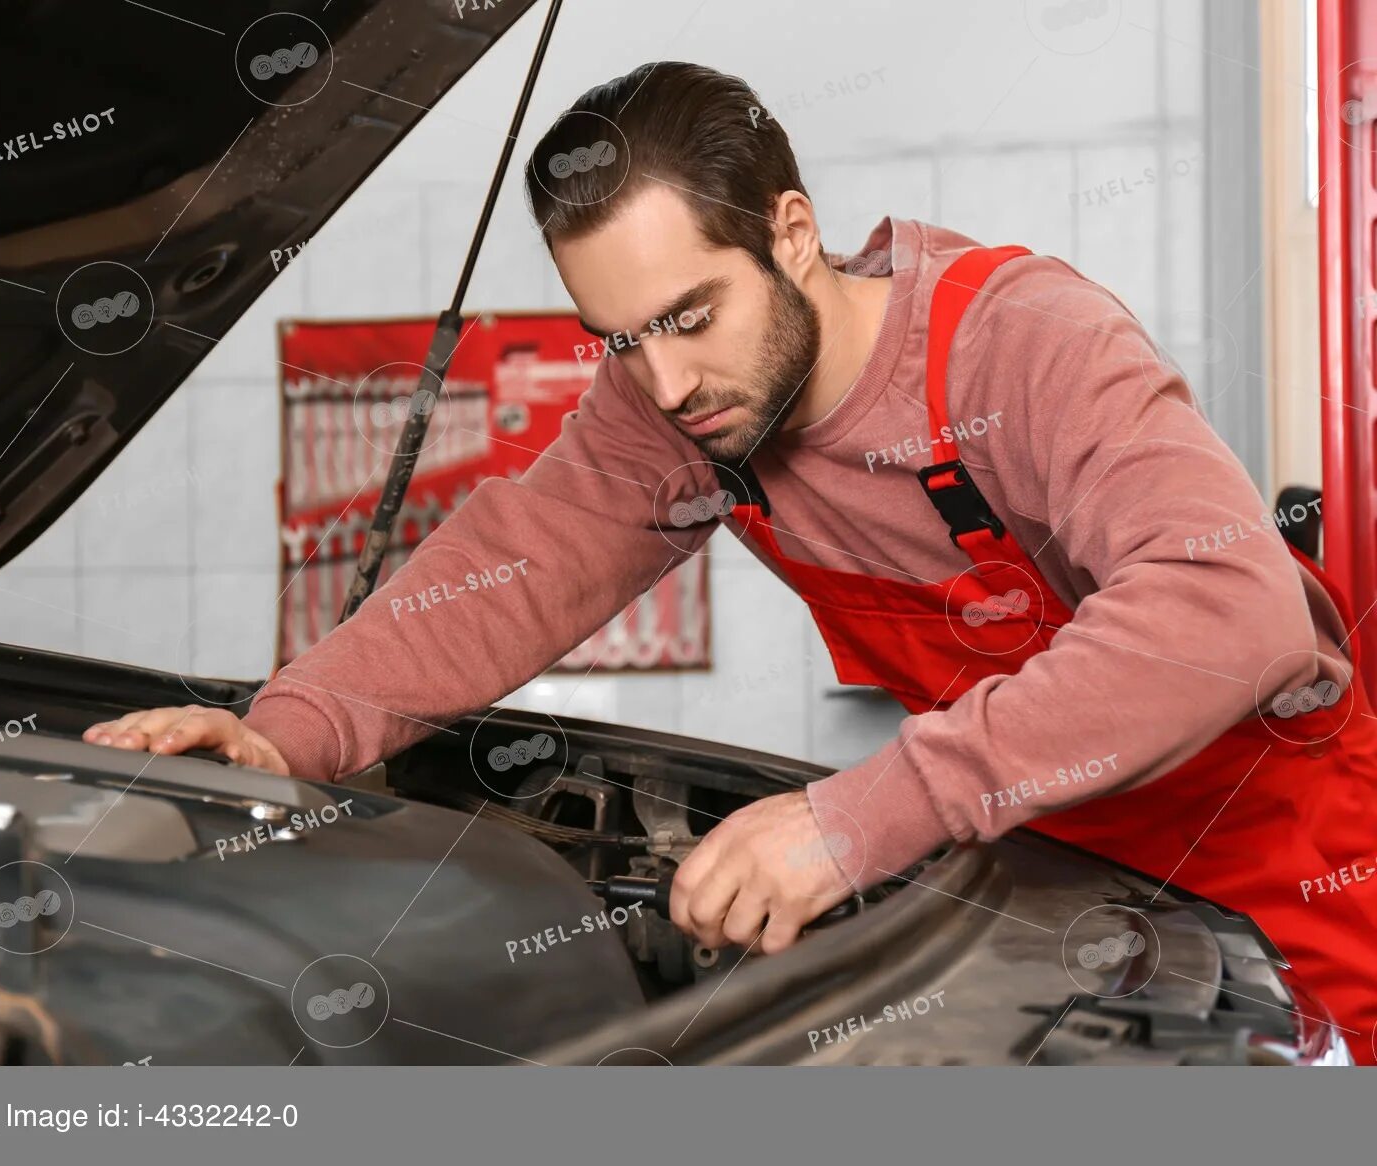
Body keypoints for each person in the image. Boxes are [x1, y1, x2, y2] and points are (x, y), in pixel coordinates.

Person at [84, 61, 1377, 1055]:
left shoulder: (1022, 347)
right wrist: (286, 732)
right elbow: (508, 568)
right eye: (619, 337)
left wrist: (855, 818)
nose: (666, 379)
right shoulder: (675, 408)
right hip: (1063, 875)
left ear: (794, 232)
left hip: (1299, 867)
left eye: (693, 316)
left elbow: (1229, 609)